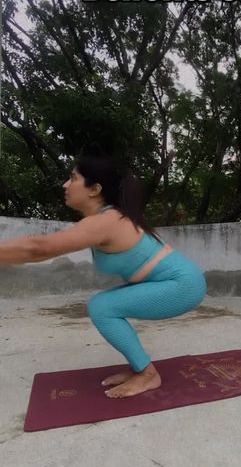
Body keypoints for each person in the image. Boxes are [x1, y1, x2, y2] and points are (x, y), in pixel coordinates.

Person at [0, 153, 207, 398]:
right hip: (176, 282)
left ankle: (147, 374)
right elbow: (37, 248)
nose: (65, 185)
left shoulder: (107, 221)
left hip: (183, 285)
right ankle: (140, 368)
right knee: (103, 305)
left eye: (72, 178)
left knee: (103, 307)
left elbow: (38, 248)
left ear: (94, 189)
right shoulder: (107, 218)